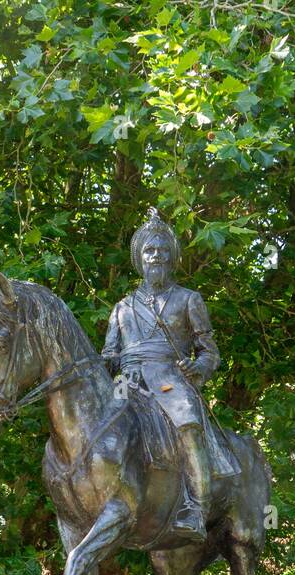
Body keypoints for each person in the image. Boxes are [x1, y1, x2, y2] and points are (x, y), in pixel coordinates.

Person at [102, 207, 226, 540]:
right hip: (127, 381)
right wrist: (105, 364)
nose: (156, 256)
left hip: (170, 379)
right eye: (149, 251)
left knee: (188, 427)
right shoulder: (122, 307)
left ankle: (197, 511)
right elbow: (110, 354)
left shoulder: (189, 300)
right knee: (97, 429)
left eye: (162, 251)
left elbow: (209, 352)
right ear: (140, 259)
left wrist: (197, 368)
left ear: (171, 258)